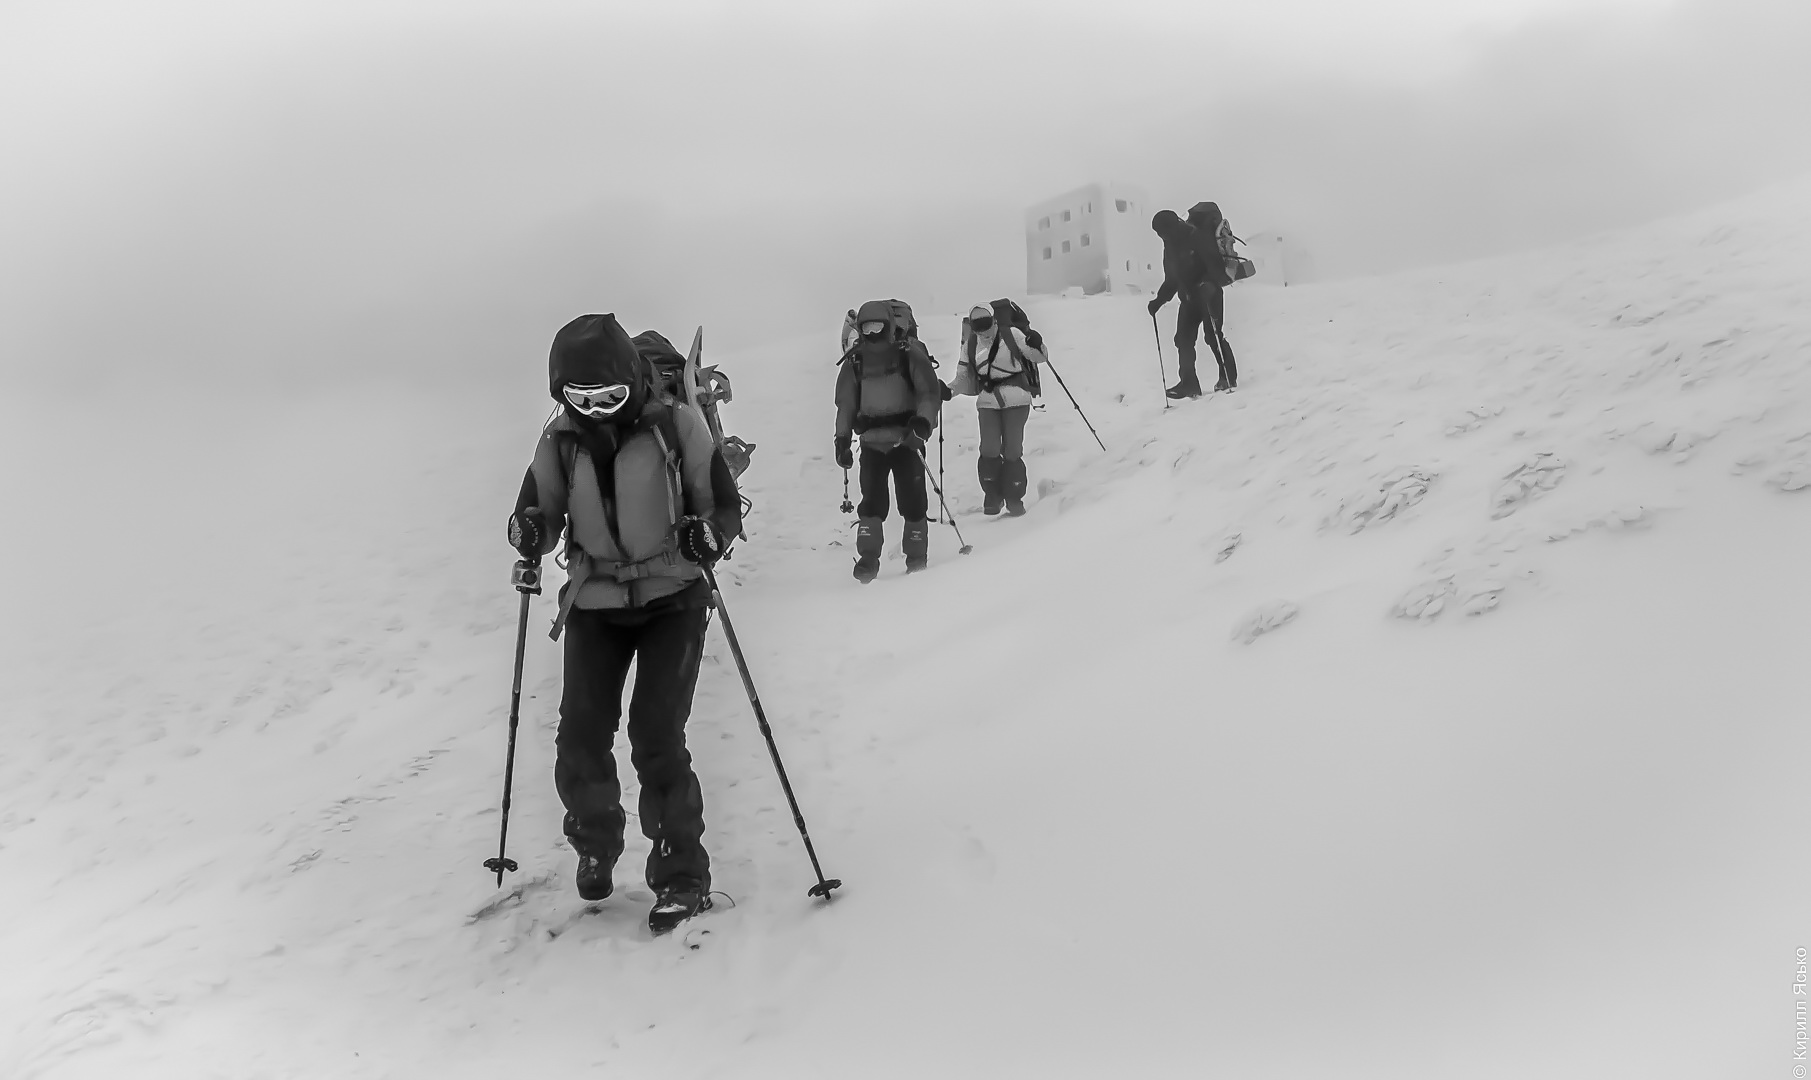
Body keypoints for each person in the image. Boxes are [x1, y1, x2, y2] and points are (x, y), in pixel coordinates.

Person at [505, 312, 744, 934]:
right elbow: (538, 508)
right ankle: (595, 841)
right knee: (580, 735)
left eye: (608, 396)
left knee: (655, 734)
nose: (596, 410)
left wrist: (707, 534)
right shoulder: (560, 438)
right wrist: (528, 529)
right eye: (580, 399)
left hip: (675, 597)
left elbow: (720, 505)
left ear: (632, 383)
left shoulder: (678, 425)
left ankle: (681, 874)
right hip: (596, 603)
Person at [834, 299, 941, 582]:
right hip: (872, 443)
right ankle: (868, 559)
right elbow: (845, 404)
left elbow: (929, 393)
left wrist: (922, 425)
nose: (872, 332)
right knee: (871, 502)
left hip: (908, 441)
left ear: (889, 326)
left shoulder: (908, 355)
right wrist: (842, 439)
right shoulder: (855, 361)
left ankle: (916, 558)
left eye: (877, 326)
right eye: (866, 327)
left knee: (913, 501)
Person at [952, 299, 1046, 516]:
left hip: (1017, 399)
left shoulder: (1012, 335)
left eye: (986, 325)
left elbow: (1037, 357)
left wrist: (1037, 344)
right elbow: (963, 376)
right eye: (978, 328)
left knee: (1012, 450)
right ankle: (993, 496)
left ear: (994, 320)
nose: (983, 332)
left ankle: (1013, 497)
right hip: (987, 402)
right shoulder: (971, 344)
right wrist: (948, 390)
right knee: (989, 449)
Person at [1147, 206, 1237, 398]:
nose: (1162, 236)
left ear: (1173, 226)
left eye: (1163, 232)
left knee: (1213, 336)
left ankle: (1227, 377)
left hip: (1209, 295)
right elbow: (1172, 279)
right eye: (1159, 234)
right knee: (1183, 340)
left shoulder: (1197, 237)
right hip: (1188, 299)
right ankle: (1189, 384)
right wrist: (1159, 300)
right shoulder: (1170, 245)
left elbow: (1214, 267)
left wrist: (1208, 284)